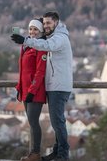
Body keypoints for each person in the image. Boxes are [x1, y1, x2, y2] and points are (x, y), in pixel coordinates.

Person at [11, 11, 73, 161]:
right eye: (44, 23)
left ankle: (62, 156)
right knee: (56, 121)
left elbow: (46, 46)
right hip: (53, 86)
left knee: (57, 122)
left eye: (48, 23)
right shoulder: (52, 37)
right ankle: (57, 153)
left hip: (59, 86)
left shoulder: (59, 38)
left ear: (56, 23)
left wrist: (26, 40)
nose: (46, 26)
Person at [14, 18, 48, 161]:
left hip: (35, 92)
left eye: (35, 29)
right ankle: (32, 154)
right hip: (25, 91)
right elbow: (23, 71)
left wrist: (32, 91)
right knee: (31, 122)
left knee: (34, 122)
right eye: (30, 29)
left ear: (40, 32)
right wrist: (19, 88)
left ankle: (35, 154)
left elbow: (40, 72)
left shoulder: (41, 47)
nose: (32, 32)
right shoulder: (25, 46)